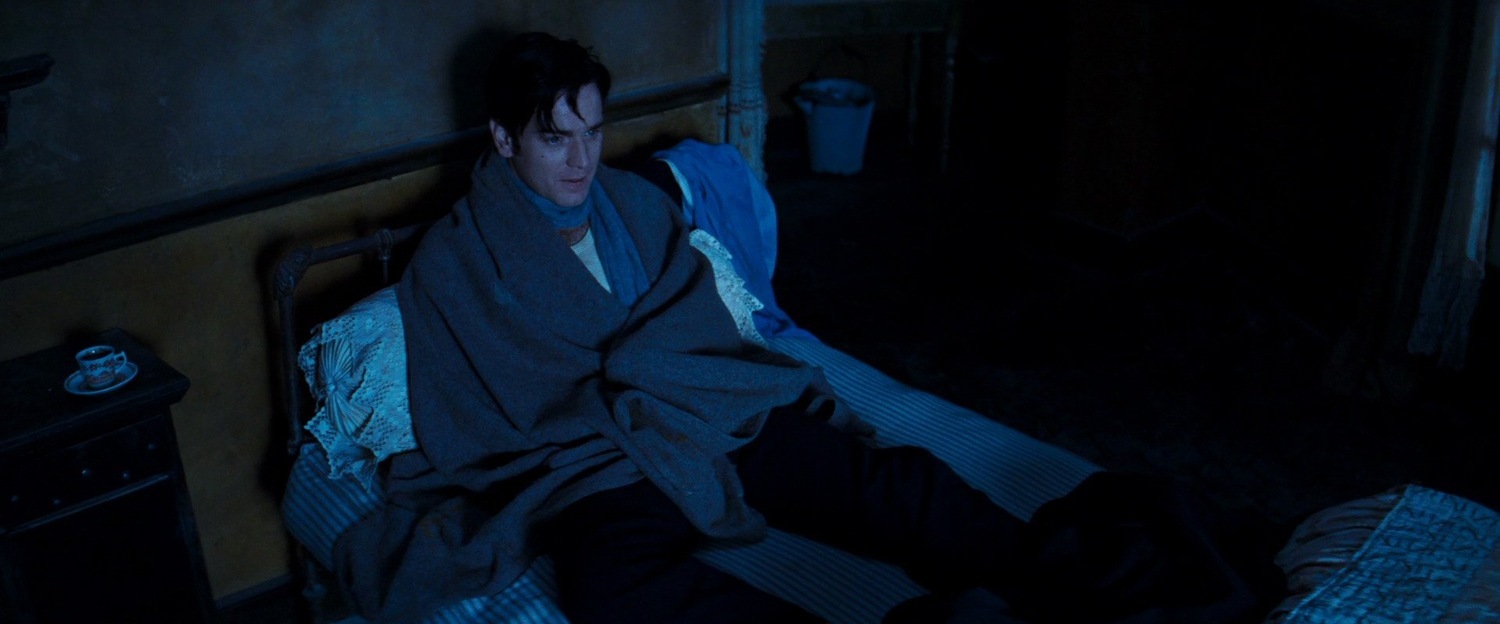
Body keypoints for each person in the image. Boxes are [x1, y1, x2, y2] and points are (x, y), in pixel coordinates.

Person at [332, 32, 1285, 624]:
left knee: (890, 481)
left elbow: (692, 320)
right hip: (598, 468)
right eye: (555, 137)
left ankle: (1057, 571)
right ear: (504, 139)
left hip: (708, 416)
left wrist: (669, 382)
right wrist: (612, 407)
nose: (582, 159)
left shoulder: (634, 200)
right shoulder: (452, 261)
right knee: (614, 590)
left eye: (591, 130)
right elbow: (481, 412)